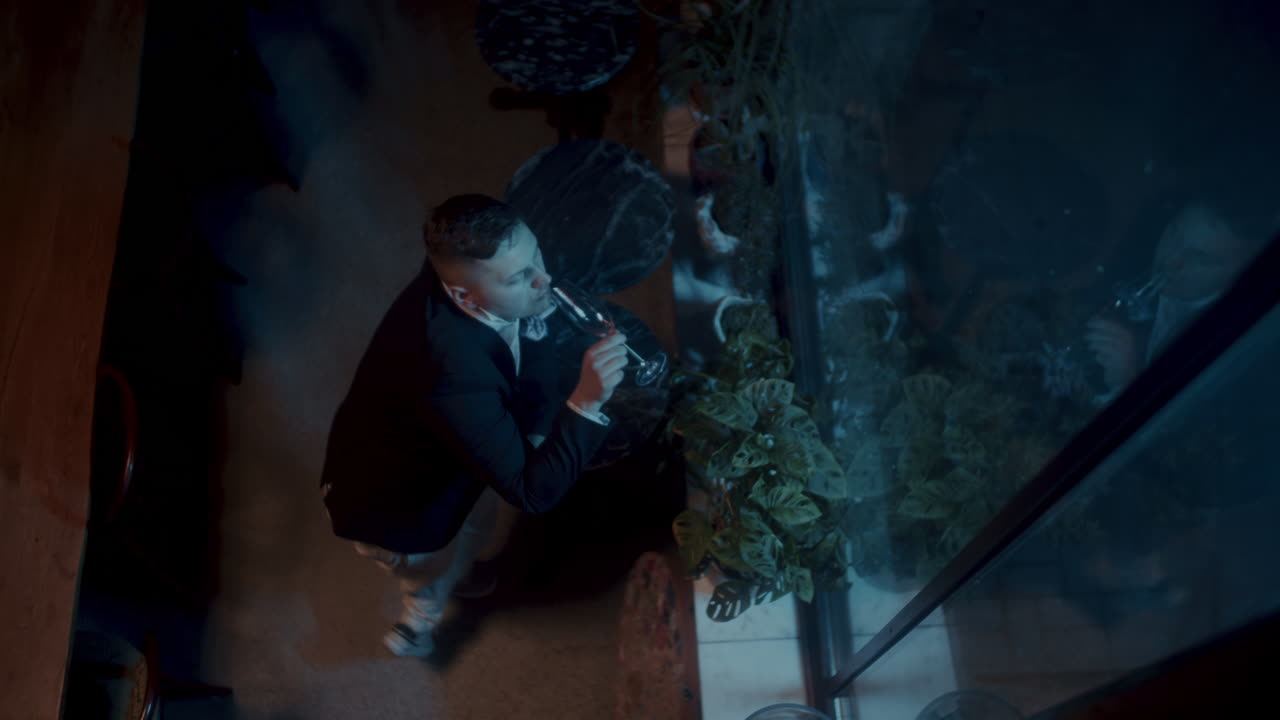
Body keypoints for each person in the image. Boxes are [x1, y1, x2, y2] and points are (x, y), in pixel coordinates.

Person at [319, 194, 629, 657]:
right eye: (519, 277)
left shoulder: (455, 270)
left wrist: (530, 307)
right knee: (428, 571)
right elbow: (532, 493)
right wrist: (586, 400)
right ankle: (418, 624)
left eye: (536, 256)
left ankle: (461, 570)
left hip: (449, 456)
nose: (544, 280)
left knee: (476, 525)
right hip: (398, 511)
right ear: (464, 296)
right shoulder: (453, 377)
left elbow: (524, 345)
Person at [1086, 202, 1259, 399]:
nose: (1170, 262)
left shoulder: (1233, 348)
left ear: (1242, 272)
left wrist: (1130, 381)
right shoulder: (1137, 249)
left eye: (1201, 259)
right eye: (1174, 235)